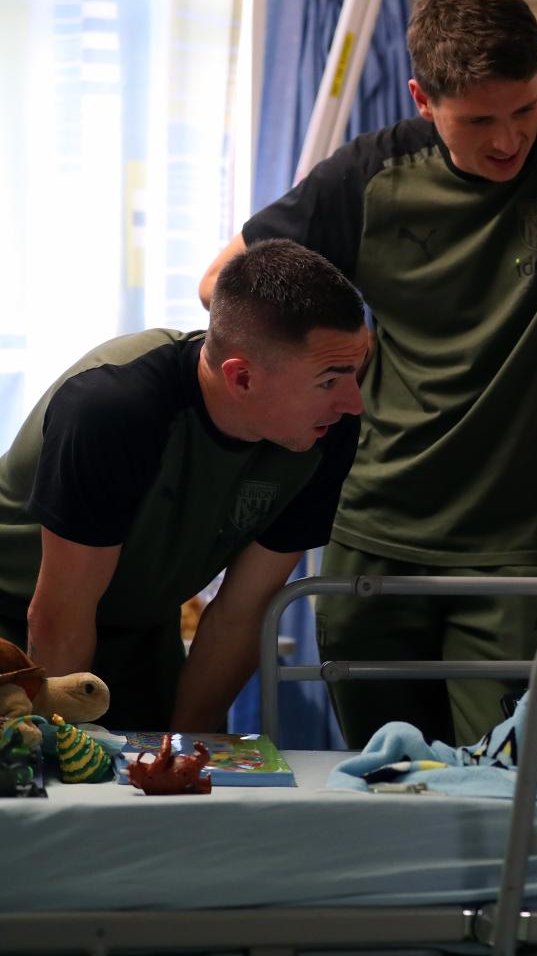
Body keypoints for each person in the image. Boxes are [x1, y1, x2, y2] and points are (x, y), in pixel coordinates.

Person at [198, 0, 537, 748]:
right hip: (376, 528)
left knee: (498, 781)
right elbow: (223, 284)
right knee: (382, 771)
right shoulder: (367, 178)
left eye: (523, 109)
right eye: (478, 121)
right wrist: (344, 355)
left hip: (523, 543)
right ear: (423, 100)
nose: (508, 139)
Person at [0, 238, 369, 732]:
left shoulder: (328, 429)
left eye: (357, 373)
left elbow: (243, 611)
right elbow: (61, 610)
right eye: (330, 380)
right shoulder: (113, 409)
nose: (354, 402)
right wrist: (65, 752)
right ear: (241, 379)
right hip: (16, 632)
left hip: (142, 633)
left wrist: (192, 753)